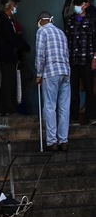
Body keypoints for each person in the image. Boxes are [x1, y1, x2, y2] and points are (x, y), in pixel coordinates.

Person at [35, 11, 71, 152]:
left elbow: (40, 55)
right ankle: (64, 140)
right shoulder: (61, 33)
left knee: (50, 106)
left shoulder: (42, 32)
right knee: (64, 107)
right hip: (65, 72)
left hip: (51, 72)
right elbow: (66, 53)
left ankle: (52, 141)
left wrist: (38, 74)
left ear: (40, 21)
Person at [0, 0, 30, 115]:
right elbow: (11, 38)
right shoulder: (4, 21)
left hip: (9, 57)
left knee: (9, 82)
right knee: (8, 83)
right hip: (6, 57)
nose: (16, 7)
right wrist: (24, 46)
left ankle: (5, 108)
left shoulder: (8, 20)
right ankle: (8, 108)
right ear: (9, 7)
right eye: (15, 5)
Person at [64, 0, 96, 126]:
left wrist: (95, 58)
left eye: (79, 4)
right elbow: (66, 41)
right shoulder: (69, 20)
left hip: (87, 60)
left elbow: (95, 41)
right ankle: (74, 118)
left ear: (85, 5)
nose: (77, 7)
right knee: (73, 90)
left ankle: (91, 117)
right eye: (75, 4)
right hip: (72, 61)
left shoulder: (91, 20)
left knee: (90, 89)